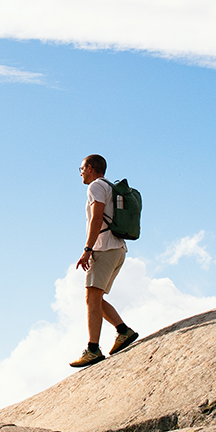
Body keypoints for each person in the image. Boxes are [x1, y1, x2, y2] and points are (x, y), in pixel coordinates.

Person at [71, 154, 138, 367]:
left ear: (90, 168)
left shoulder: (96, 187)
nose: (80, 172)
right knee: (94, 297)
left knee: (91, 297)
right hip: (118, 248)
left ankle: (93, 349)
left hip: (105, 247)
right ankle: (123, 331)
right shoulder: (109, 186)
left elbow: (97, 217)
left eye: (81, 168)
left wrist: (87, 249)